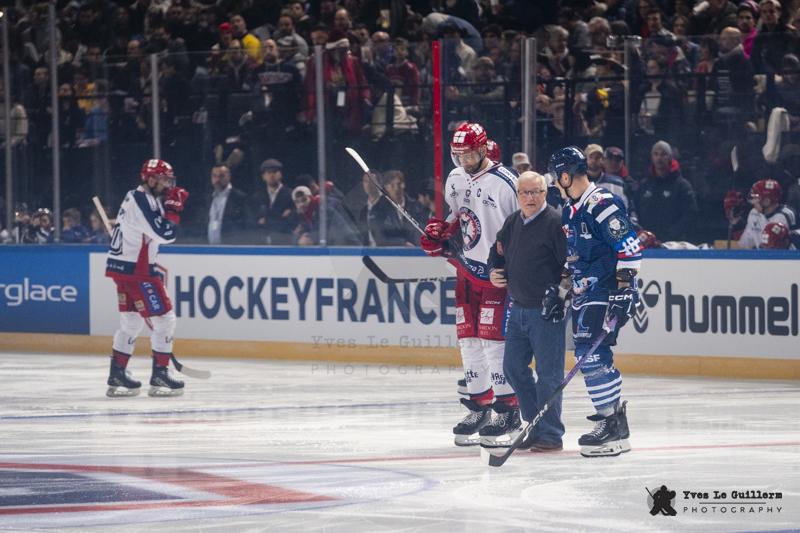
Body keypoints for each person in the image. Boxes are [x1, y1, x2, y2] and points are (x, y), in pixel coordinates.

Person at [420, 122, 520, 447]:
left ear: (482, 149)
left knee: (494, 343)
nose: (463, 161)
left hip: (495, 276)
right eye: (458, 155)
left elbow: (523, 228)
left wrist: (514, 269)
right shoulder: (455, 178)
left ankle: (508, 410)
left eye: (469, 154)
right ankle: (479, 406)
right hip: (465, 273)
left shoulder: (506, 183)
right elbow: (458, 217)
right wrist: (440, 233)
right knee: (469, 342)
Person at [546, 146, 642, 457]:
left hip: (606, 291)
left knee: (591, 355)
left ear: (565, 176)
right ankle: (614, 424)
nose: (554, 182)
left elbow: (630, 249)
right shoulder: (570, 209)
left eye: (555, 177)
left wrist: (624, 291)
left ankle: (611, 423)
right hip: (584, 294)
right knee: (587, 354)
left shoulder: (601, 204)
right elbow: (574, 257)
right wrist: (562, 290)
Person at [488, 171, 568, 451]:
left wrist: (561, 293)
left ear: (545, 193)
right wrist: (494, 271)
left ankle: (551, 435)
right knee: (512, 368)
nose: (530, 197)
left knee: (548, 375)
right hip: (518, 308)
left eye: (536, 192)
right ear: (517, 195)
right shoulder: (512, 222)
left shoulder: (556, 224)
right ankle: (534, 424)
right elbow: (497, 252)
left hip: (546, 312)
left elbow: (570, 265)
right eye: (524, 192)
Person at [104, 159, 189, 398]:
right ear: (150, 179)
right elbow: (166, 234)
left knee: (131, 322)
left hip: (123, 269)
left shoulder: (140, 198)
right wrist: (174, 210)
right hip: (138, 271)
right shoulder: (141, 201)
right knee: (165, 320)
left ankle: (117, 373)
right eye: (163, 180)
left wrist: (167, 207)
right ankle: (160, 375)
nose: (167, 185)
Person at [738, 178, 797, 248]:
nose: (753, 202)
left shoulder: (784, 216)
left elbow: (779, 248)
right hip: (762, 254)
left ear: (767, 201)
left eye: (757, 198)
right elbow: (745, 243)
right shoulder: (754, 213)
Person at [204, 164, 249, 245]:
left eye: (221, 176)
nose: (217, 179)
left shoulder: (239, 198)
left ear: (229, 177)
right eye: (214, 176)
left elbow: (245, 226)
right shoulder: (208, 198)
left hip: (231, 248)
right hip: (209, 249)